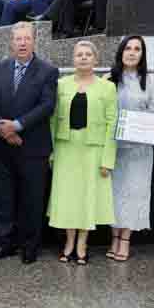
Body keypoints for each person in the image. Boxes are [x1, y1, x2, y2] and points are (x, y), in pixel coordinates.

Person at [0, 22, 59, 264]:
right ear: (11, 42)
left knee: (32, 200)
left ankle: (30, 247)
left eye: (27, 39)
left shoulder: (48, 71)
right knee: (3, 199)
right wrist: (2, 128)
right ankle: (4, 244)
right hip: (2, 146)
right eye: (18, 39)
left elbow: (47, 106)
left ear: (34, 41)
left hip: (33, 147)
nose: (22, 43)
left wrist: (17, 126)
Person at [47, 41, 117, 265]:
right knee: (67, 198)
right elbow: (51, 121)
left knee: (87, 197)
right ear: (73, 59)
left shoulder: (107, 88)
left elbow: (112, 124)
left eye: (88, 54)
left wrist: (108, 159)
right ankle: (69, 242)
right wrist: (51, 152)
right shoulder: (61, 85)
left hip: (93, 150)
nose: (84, 58)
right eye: (79, 54)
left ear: (96, 60)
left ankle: (82, 243)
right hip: (66, 148)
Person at [106, 36, 154, 262]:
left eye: (137, 49)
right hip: (114, 148)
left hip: (140, 149)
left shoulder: (150, 81)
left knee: (134, 193)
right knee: (114, 193)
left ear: (142, 54)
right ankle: (113, 238)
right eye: (128, 48)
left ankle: (125, 239)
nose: (132, 52)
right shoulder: (109, 79)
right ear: (120, 52)